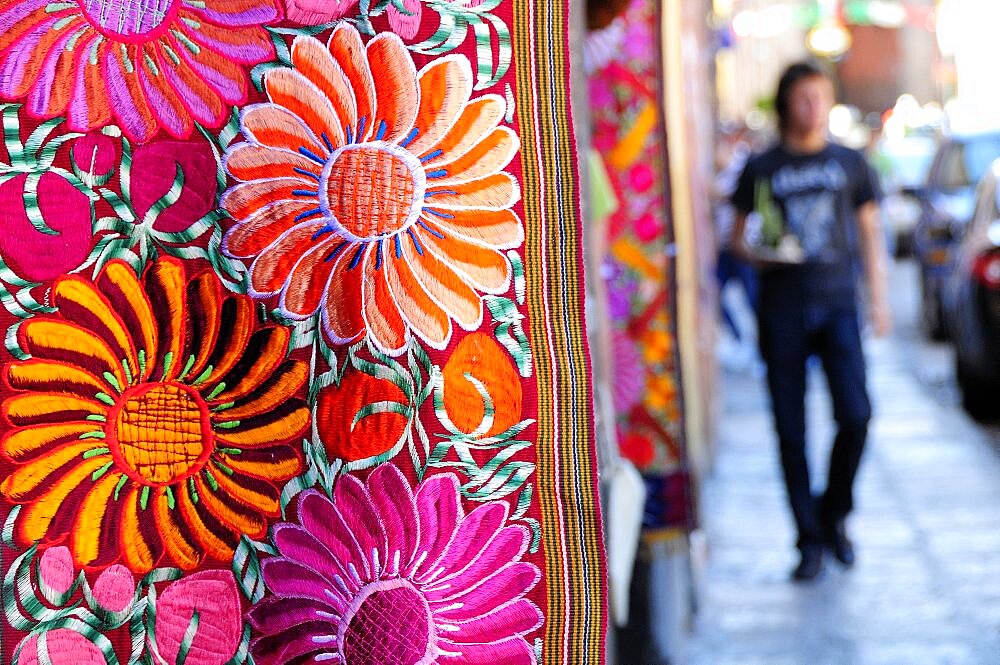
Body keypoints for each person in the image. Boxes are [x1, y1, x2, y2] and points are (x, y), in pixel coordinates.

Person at [730, 62, 891, 581]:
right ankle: (808, 540)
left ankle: (835, 513)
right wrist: (764, 254)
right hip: (782, 311)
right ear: (785, 104)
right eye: (802, 98)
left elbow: (870, 232)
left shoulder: (850, 162)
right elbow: (737, 238)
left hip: (840, 303)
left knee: (857, 415)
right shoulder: (762, 166)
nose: (812, 107)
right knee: (790, 429)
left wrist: (879, 300)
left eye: (820, 97)